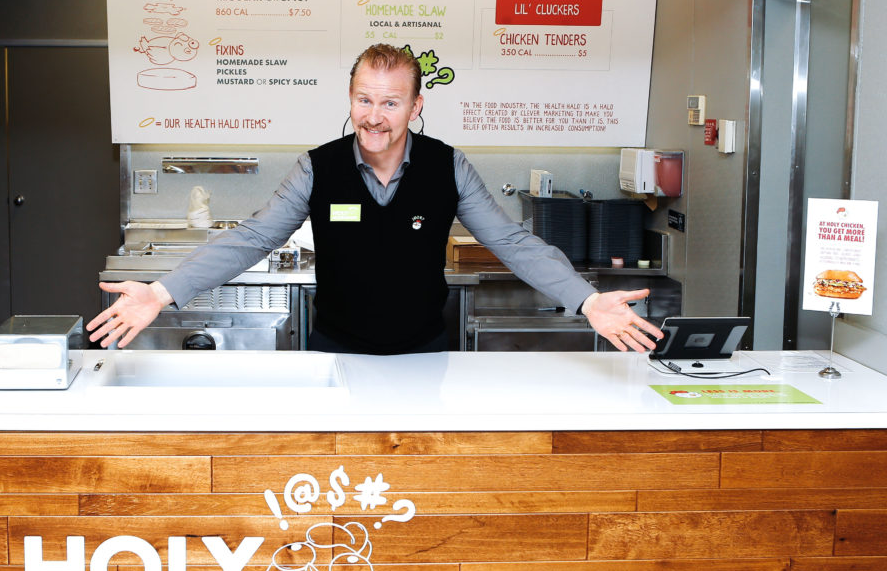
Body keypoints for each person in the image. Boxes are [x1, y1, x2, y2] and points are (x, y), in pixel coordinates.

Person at [88, 44, 663, 355]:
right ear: (350, 99)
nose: (374, 116)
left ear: (415, 107)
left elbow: (510, 241)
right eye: (364, 100)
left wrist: (586, 301)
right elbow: (254, 236)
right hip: (336, 348)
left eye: (390, 103)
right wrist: (162, 292)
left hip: (425, 349)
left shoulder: (447, 164)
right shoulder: (319, 166)